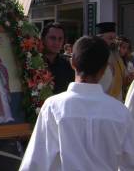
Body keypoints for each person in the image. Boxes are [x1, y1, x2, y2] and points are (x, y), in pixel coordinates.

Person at [19, 36, 134, 171]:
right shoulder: (120, 112)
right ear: (104, 69)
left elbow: (35, 163)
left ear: (72, 62)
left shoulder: (54, 107)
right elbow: (129, 163)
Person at [97, 22, 129, 100]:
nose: (113, 42)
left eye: (115, 38)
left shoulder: (117, 57)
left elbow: (125, 79)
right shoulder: (95, 58)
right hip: (101, 102)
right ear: (100, 39)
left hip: (117, 102)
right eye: (110, 38)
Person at [41, 22, 74, 94]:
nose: (56, 42)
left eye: (60, 39)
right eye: (52, 38)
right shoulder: (33, 62)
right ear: (43, 39)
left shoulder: (68, 65)